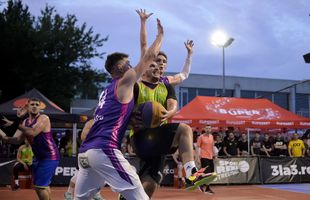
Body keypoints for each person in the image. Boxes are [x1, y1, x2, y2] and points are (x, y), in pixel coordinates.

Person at [74, 17, 164, 200]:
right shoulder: (125, 81)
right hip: (104, 148)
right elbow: (148, 55)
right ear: (119, 67)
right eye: (128, 62)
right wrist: (161, 35)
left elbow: (143, 49)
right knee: (139, 195)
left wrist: (143, 23)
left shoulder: (106, 91)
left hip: (85, 153)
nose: (131, 65)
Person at [128, 52, 215, 198]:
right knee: (184, 129)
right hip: (140, 137)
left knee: (149, 185)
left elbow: (173, 105)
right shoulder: (136, 86)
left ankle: (128, 196)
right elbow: (124, 111)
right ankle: (191, 174)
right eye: (154, 64)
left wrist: (170, 112)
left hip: (159, 136)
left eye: (162, 63)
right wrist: (133, 115)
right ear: (145, 67)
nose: (159, 66)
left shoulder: (166, 85)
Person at [1, 98, 60, 200]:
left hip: (50, 156)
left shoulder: (44, 118)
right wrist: (3, 137)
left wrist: (13, 123)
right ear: (27, 107)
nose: (35, 106)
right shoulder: (25, 122)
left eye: (37, 105)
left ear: (40, 108)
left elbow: (32, 132)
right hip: (37, 157)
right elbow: (18, 140)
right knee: (40, 186)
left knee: (40, 187)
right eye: (32, 104)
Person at [136, 9, 193, 86]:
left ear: (166, 66)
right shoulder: (143, 75)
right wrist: (143, 22)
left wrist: (190, 54)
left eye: (164, 61)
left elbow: (184, 74)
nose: (161, 63)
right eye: (158, 60)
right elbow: (144, 45)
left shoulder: (166, 81)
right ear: (150, 62)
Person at [64, 119, 104, 200]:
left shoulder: (109, 122)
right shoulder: (90, 123)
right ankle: (68, 193)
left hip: (100, 154)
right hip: (86, 153)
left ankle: (96, 193)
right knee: (80, 174)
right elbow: (83, 137)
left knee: (102, 174)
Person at [196, 125, 215, 194]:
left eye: (209, 128)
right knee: (208, 173)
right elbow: (197, 147)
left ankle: (199, 181)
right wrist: (197, 158)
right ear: (204, 129)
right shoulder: (201, 137)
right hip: (204, 157)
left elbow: (212, 146)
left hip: (210, 157)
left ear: (211, 129)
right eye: (207, 128)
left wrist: (214, 154)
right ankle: (207, 188)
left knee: (211, 173)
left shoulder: (211, 136)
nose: (208, 129)